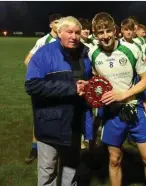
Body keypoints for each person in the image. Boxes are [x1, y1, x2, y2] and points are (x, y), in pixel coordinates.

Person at [88, 12, 146, 186]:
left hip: (134, 108)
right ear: (95, 35)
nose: (105, 36)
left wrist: (123, 95)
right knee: (114, 160)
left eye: (108, 31)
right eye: (100, 33)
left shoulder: (132, 49)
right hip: (112, 114)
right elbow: (97, 81)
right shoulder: (93, 54)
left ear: (115, 30)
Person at [25, 16, 93, 186]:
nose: (74, 36)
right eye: (69, 32)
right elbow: (32, 86)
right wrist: (71, 88)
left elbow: (88, 83)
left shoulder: (85, 54)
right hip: (49, 124)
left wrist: (87, 85)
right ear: (59, 32)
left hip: (74, 124)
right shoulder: (44, 53)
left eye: (77, 32)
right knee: (48, 171)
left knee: (70, 170)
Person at [24, 13, 62, 164]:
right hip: (46, 86)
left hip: (61, 85)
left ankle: (60, 147)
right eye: (56, 22)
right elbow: (28, 60)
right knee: (40, 116)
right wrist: (42, 76)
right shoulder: (43, 41)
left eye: (61, 22)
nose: (59, 25)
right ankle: (35, 148)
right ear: (51, 25)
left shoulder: (64, 39)